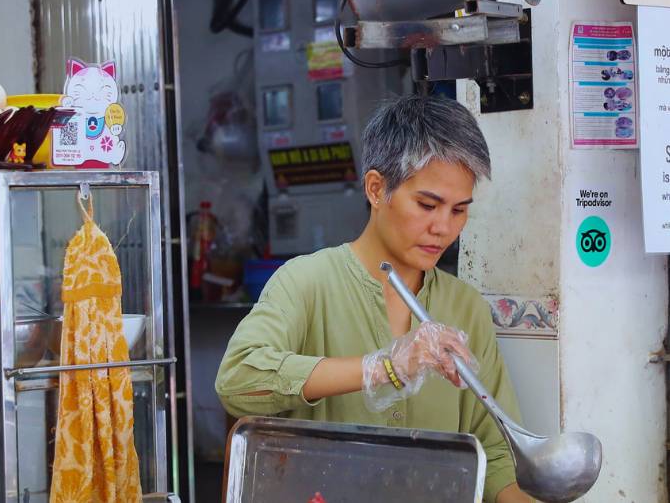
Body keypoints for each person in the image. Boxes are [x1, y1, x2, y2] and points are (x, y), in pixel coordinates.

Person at [215, 95, 533, 503]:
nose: (444, 228)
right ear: (377, 189)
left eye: (459, 211)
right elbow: (238, 380)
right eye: (427, 205)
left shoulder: (464, 307)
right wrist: (381, 368)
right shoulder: (307, 282)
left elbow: (495, 451)